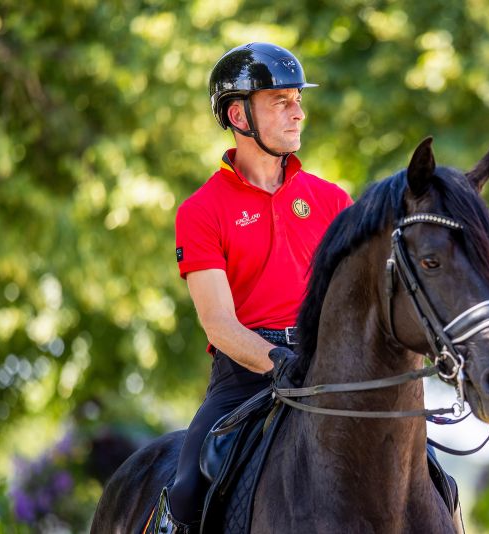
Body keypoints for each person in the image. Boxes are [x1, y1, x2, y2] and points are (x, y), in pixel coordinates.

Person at [154, 42, 353, 533]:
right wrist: (283, 363)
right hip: (244, 377)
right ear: (239, 115)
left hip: (327, 367)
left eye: (298, 100)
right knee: (187, 488)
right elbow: (219, 325)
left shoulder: (332, 201)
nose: (298, 113)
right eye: (281, 101)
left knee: (429, 469)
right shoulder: (200, 211)